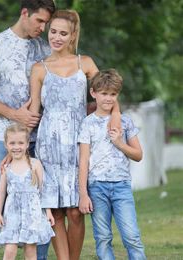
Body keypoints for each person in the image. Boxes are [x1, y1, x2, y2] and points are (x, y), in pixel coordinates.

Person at [29, 10, 120, 260]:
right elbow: (34, 112)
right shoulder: (39, 69)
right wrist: (16, 150)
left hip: (78, 143)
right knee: (56, 212)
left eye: (63, 33)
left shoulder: (86, 63)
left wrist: (116, 116)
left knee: (75, 212)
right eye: (53, 31)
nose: (56, 37)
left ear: (72, 36)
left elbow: (109, 92)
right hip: (49, 145)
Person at [0, 1, 55, 259]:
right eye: (39, 21)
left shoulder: (46, 47)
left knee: (40, 201)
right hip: (4, 140)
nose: (43, 28)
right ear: (24, 13)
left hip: (39, 140)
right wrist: (14, 114)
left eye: (46, 23)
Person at [78, 69, 146, 260]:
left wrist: (119, 142)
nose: (108, 98)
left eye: (113, 94)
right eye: (104, 93)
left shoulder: (125, 122)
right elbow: (83, 160)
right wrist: (83, 194)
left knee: (132, 236)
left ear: (118, 95)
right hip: (96, 187)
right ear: (93, 93)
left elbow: (138, 155)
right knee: (103, 237)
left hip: (121, 187)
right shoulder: (87, 124)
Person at [0, 123, 55, 260]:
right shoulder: (6, 167)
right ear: (6, 145)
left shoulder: (35, 164)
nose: (16, 147)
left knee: (30, 250)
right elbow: (1, 192)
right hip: (12, 214)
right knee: (10, 249)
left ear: (27, 144)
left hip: (32, 214)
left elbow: (43, 189)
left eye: (21, 143)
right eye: (12, 143)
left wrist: (48, 211)